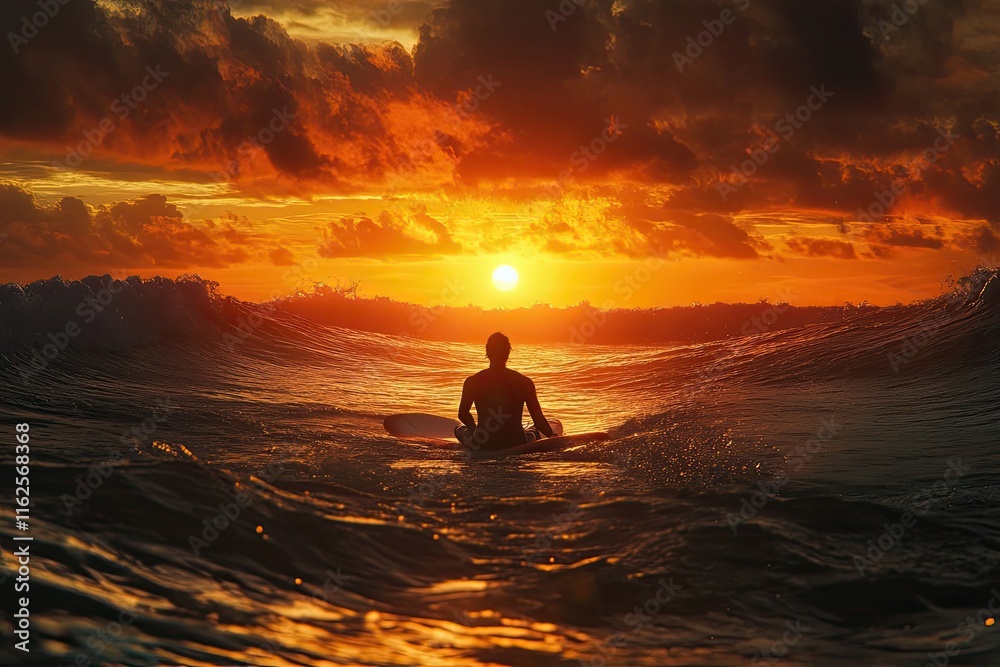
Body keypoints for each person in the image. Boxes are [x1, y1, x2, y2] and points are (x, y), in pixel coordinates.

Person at [456, 332, 556, 451]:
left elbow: (463, 413)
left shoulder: (473, 381)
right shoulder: (524, 382)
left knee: (459, 429)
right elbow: (539, 421)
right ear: (508, 353)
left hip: (484, 443)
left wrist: (473, 429)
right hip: (516, 442)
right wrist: (553, 437)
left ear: (487, 352)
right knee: (532, 434)